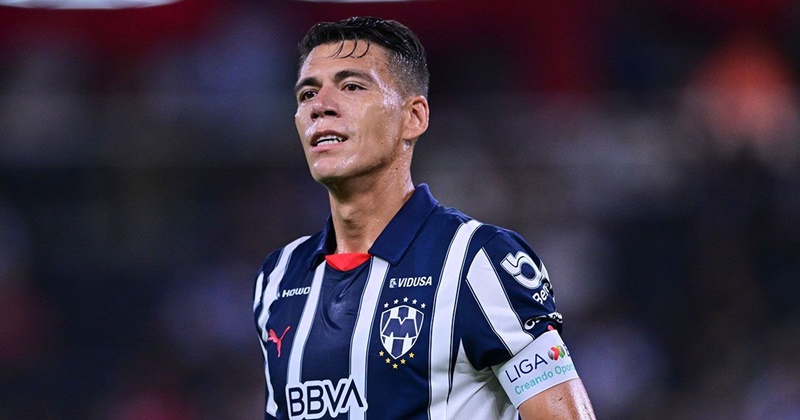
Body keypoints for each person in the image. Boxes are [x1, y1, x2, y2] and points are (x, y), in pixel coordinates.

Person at [253, 16, 595, 420]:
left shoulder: (477, 260)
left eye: (352, 86)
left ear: (413, 117)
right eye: (308, 93)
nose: (320, 106)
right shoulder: (279, 277)